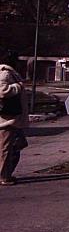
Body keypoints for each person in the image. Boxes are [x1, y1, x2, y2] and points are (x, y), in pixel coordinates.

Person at [0, 49, 28, 185]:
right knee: (5, 149)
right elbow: (2, 91)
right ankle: (3, 176)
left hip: (13, 118)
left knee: (18, 145)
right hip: (7, 119)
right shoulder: (5, 73)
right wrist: (18, 86)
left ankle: (6, 173)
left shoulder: (10, 73)